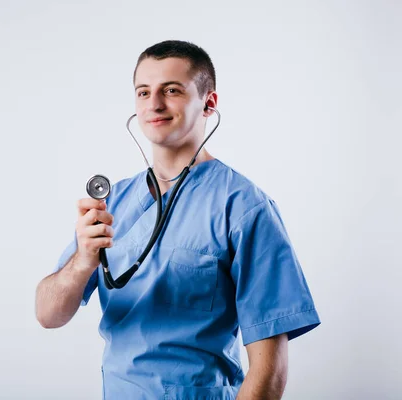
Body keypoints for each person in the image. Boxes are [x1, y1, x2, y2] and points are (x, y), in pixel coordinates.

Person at [35, 40, 320, 400]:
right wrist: (82, 262)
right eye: (143, 92)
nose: (154, 103)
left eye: (171, 90)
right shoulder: (113, 203)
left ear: (209, 102)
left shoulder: (245, 207)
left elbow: (269, 373)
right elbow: (47, 315)